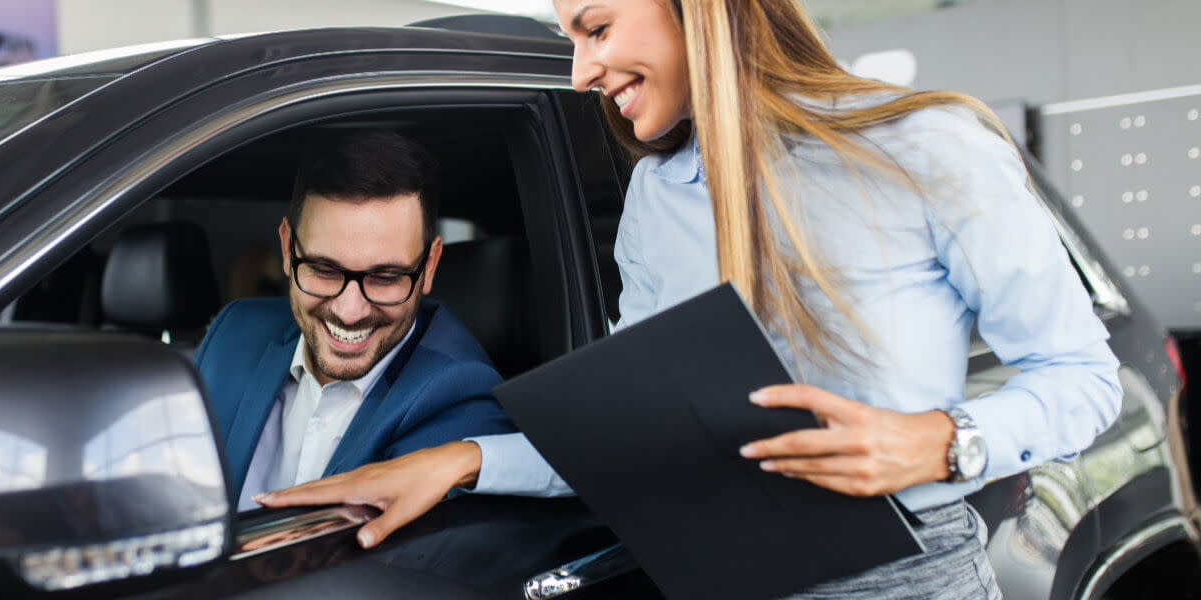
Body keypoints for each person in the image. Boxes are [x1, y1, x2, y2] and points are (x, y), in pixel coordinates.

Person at [257, 1, 1122, 597]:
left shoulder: (922, 146)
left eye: (595, 28)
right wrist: (462, 463)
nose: (581, 67)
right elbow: (643, 439)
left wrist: (941, 442)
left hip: (904, 577)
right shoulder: (657, 194)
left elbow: (1084, 379)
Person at [194, 130, 515, 511]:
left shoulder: (462, 400)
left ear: (429, 267)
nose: (350, 311)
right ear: (286, 248)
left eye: (384, 278)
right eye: (324, 270)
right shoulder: (233, 333)